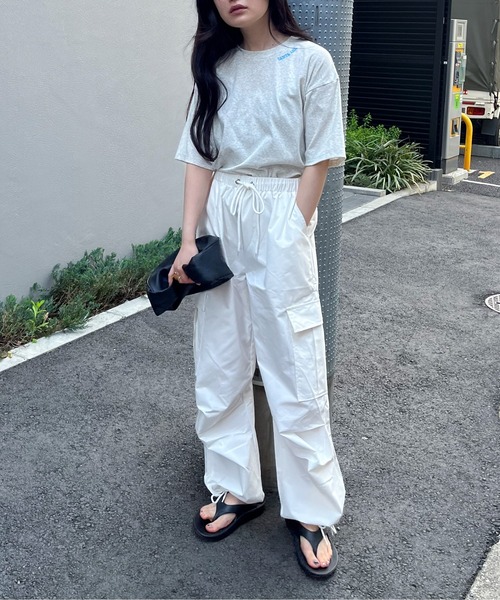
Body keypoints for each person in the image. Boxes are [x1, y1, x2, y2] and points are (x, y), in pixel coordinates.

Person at [171, 0, 345, 579]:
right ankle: (234, 487)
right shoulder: (215, 68)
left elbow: (321, 155)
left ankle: (312, 510)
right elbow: (199, 156)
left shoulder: (310, 61)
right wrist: (188, 240)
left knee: (295, 362)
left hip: (280, 211)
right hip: (224, 215)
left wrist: (293, 225)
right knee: (219, 358)